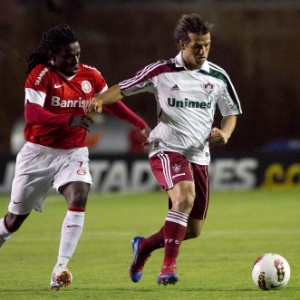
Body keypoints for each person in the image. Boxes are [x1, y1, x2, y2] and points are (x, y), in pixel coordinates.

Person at [86, 14, 242, 285]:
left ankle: (144, 247)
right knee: (185, 197)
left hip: (199, 155)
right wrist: (100, 100)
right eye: (197, 46)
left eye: (207, 45)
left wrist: (225, 134)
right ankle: (168, 267)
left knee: (192, 230)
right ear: (182, 44)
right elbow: (123, 89)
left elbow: (231, 113)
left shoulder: (217, 76)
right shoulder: (161, 72)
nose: (203, 51)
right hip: (166, 147)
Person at [0, 24, 150, 290]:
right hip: (37, 154)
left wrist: (140, 125)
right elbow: (32, 114)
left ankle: (60, 268)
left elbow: (111, 102)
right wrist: (69, 119)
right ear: (52, 56)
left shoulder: (90, 75)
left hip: (73, 153)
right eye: (68, 56)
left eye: (78, 54)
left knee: (79, 193)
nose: (75, 60)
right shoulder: (40, 75)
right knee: (13, 222)